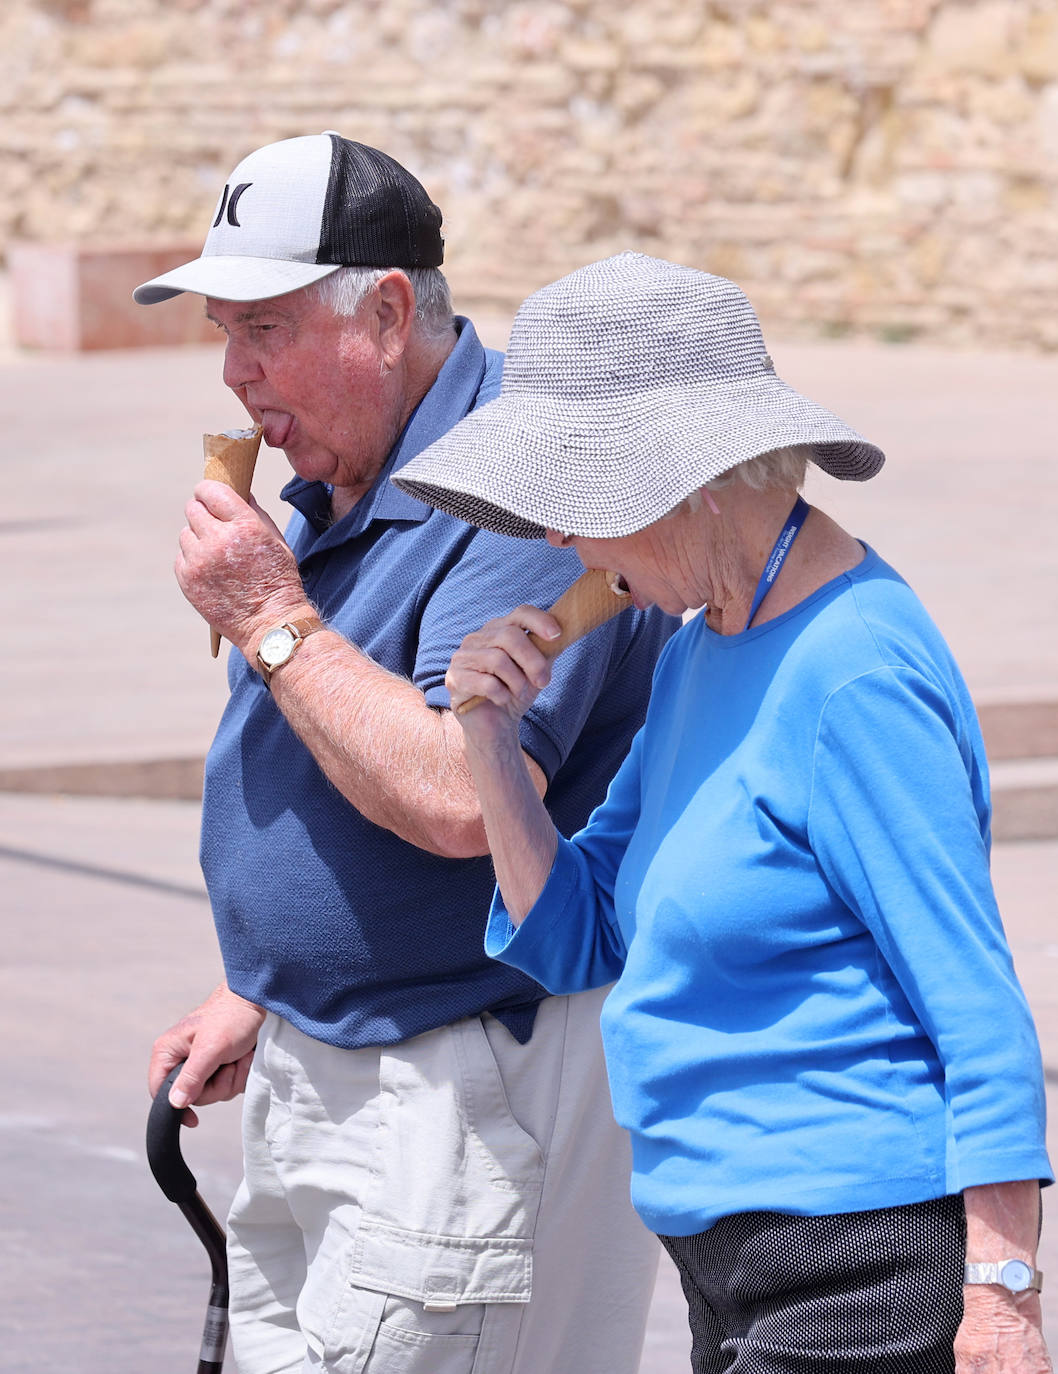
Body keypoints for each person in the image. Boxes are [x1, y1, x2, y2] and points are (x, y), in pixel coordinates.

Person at [392, 251, 1055, 1374]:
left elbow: (973, 997)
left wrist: (1001, 1298)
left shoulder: (852, 675)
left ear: (690, 479)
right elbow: (575, 934)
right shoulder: (701, 646)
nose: (555, 544)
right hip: (726, 1261)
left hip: (855, 1270)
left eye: (574, 503)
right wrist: (490, 748)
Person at [136, 140, 677, 1374]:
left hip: (465, 1084)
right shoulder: (341, 480)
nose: (236, 375)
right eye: (224, 333)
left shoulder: (516, 486)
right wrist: (266, 981)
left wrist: (271, 619)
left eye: (264, 329)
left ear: (384, 312)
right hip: (338, 1069)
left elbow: (455, 799)